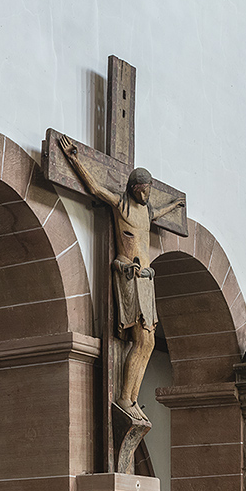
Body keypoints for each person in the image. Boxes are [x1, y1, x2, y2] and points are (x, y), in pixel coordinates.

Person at [58, 136, 180, 420]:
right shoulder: (121, 205)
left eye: (148, 189)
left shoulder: (147, 211)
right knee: (140, 339)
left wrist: (174, 206)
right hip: (131, 274)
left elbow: (159, 212)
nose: (146, 194)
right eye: (142, 189)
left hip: (147, 279)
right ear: (133, 188)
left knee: (149, 342)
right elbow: (95, 188)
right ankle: (125, 397)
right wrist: (75, 159)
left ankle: (133, 398)